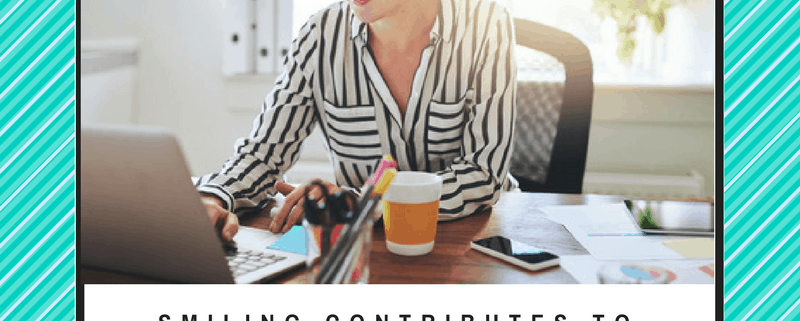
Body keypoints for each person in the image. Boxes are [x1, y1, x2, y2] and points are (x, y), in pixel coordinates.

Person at [196, 0, 517, 242]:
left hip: (469, 242)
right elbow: (263, 154)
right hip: (366, 251)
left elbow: (483, 174)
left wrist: (364, 202)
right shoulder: (319, 36)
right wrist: (213, 197)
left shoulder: (487, 22)